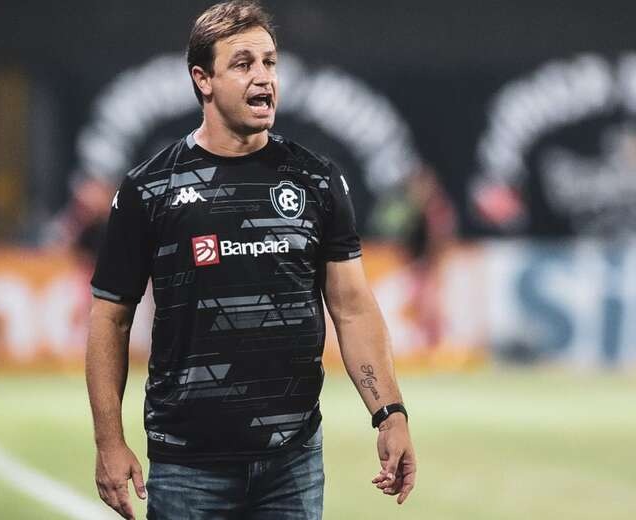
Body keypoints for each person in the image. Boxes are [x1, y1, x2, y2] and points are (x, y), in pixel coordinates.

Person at [85, 2, 416, 518]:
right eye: (243, 64)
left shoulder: (317, 180)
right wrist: (109, 441)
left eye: (269, 62)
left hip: (293, 462)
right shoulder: (149, 189)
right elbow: (111, 318)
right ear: (203, 79)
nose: (263, 77)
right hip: (187, 465)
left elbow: (353, 308)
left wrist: (389, 413)